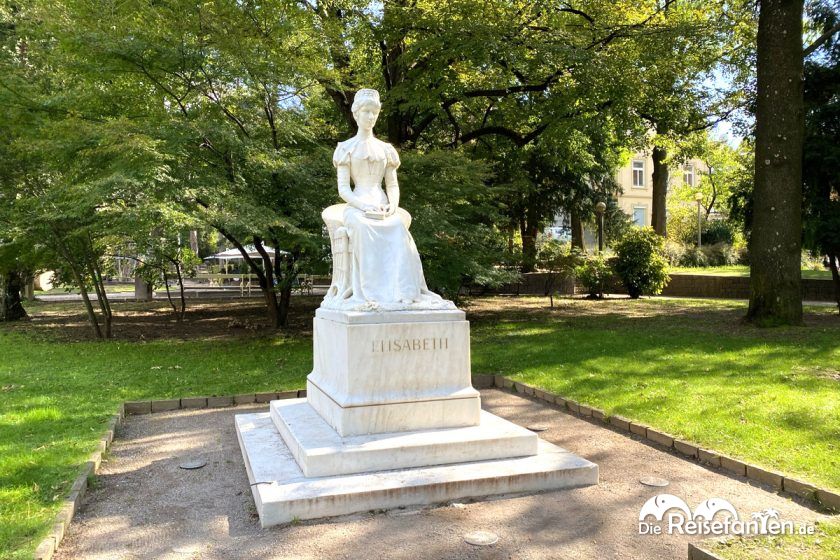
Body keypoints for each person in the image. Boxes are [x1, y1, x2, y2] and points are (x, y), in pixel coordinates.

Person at [323, 88, 453, 311]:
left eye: (374, 112)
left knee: (398, 230)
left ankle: (401, 292)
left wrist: (392, 205)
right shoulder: (345, 148)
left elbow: (392, 185)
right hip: (357, 206)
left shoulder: (386, 149)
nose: (370, 116)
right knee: (363, 228)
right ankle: (372, 294)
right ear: (356, 114)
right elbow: (344, 189)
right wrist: (363, 206)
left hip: (383, 206)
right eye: (366, 111)